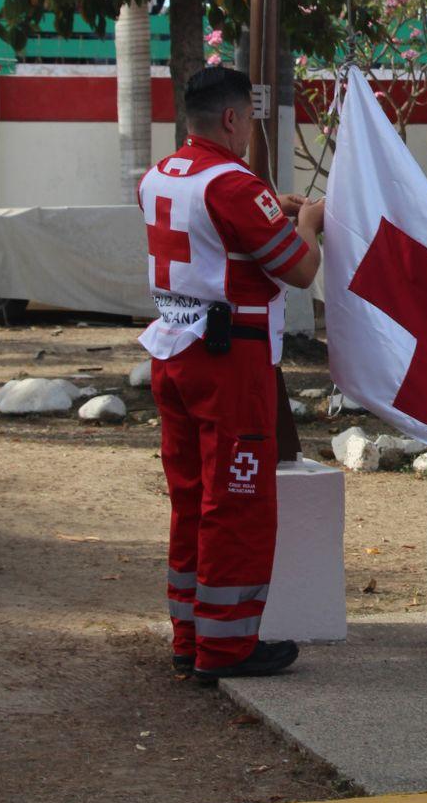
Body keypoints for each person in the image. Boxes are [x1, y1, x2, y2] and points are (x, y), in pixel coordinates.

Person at [137, 66, 325, 682]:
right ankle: (227, 646)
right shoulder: (236, 185)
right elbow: (299, 269)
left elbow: (222, 238)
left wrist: (275, 210)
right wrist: (307, 223)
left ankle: (189, 636)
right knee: (237, 502)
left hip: (174, 350)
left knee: (191, 498)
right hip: (229, 363)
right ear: (230, 118)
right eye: (249, 119)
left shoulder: (159, 176)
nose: (249, 131)